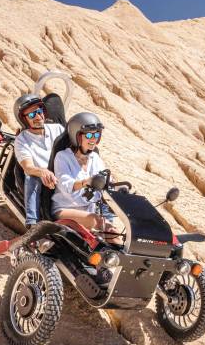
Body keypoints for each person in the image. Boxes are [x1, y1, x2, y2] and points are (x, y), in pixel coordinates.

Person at [51, 112, 123, 245]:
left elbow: (106, 179)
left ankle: (116, 265)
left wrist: (118, 187)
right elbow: (66, 185)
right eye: (89, 135)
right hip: (64, 208)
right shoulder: (63, 157)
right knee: (96, 221)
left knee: (114, 233)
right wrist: (87, 182)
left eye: (96, 135)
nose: (93, 139)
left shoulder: (95, 158)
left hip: (88, 211)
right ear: (76, 136)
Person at [12, 93, 64, 229]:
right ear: (24, 120)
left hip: (63, 174)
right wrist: (43, 172)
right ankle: (32, 224)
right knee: (31, 177)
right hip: (42, 180)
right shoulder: (22, 140)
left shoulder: (57, 129)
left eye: (39, 111)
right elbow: (28, 167)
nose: (37, 116)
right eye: (31, 115)